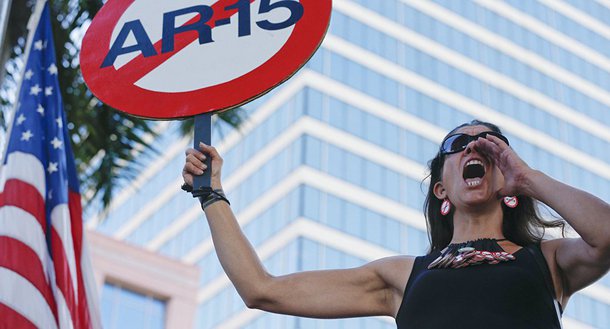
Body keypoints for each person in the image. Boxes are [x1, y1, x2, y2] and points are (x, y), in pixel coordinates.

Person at [182, 120, 610, 328]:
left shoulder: (548, 259)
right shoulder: (401, 275)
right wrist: (211, 194)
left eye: (492, 146)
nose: (474, 147)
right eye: (457, 145)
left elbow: (606, 236)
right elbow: (263, 290)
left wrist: (529, 178)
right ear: (441, 189)